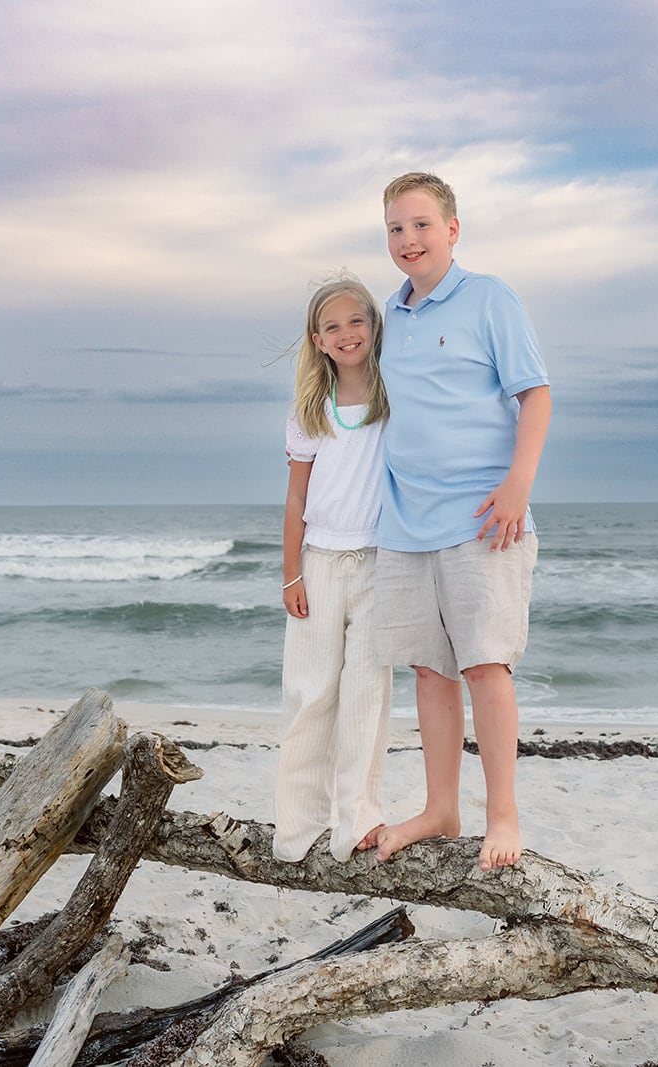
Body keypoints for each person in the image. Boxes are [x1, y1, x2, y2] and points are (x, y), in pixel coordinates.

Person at [370, 172, 552, 871]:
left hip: (483, 515)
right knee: (428, 670)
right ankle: (440, 806)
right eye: (394, 228)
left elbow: (534, 395)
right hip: (406, 520)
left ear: (451, 229)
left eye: (420, 224)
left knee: (485, 663)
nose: (407, 239)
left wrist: (517, 484)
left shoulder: (489, 297)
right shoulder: (393, 315)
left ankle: (501, 813)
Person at [273, 273, 394, 863]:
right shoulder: (309, 410)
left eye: (357, 321)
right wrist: (291, 572)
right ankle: (296, 827)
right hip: (318, 561)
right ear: (317, 340)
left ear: (374, 327)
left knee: (367, 693)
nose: (347, 333)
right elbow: (296, 499)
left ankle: (357, 819)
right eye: (333, 326)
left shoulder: (397, 397)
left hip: (381, 561)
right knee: (311, 691)